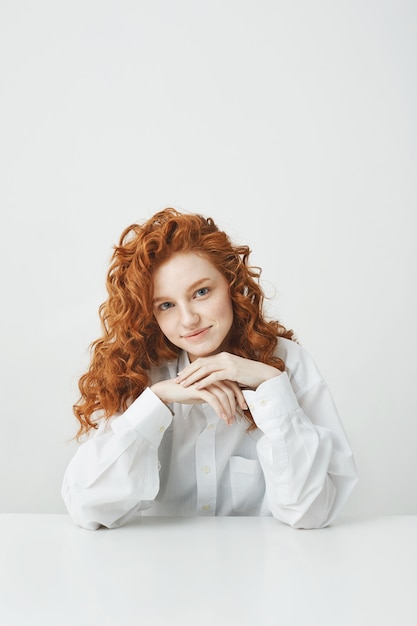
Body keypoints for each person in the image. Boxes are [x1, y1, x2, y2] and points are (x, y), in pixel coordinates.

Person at [62, 207, 358, 530]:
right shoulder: (140, 372)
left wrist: (271, 384)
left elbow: (311, 513)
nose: (188, 319)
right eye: (167, 305)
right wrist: (157, 400)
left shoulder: (289, 363)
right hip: (157, 571)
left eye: (201, 292)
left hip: (266, 572)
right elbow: (87, 507)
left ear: (230, 284)